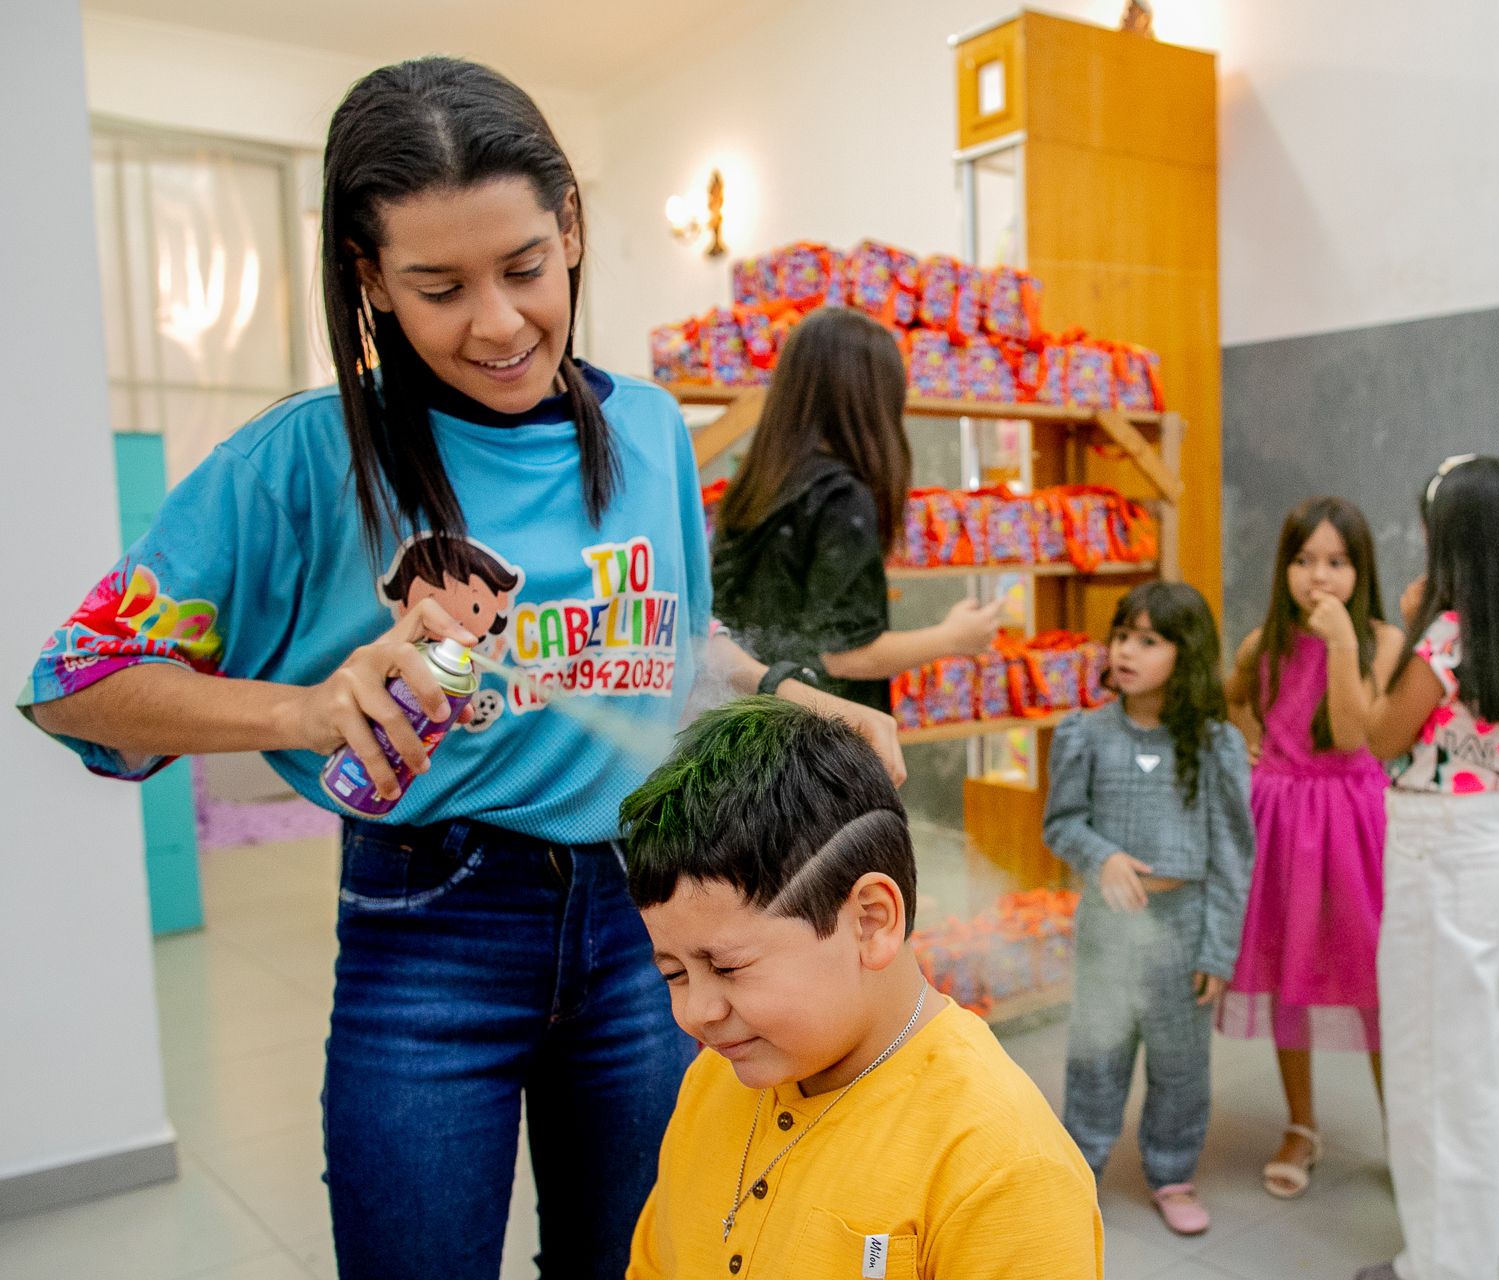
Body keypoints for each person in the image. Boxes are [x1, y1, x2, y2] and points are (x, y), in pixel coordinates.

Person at [20, 57, 898, 1280]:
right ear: (369, 277)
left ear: (571, 228)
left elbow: (665, 639)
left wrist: (790, 692)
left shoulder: (647, 429)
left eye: (525, 267)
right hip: (430, 930)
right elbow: (75, 680)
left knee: (637, 1256)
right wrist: (308, 708)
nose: (497, 322)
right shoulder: (308, 456)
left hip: (644, 921)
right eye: (440, 287)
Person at [619, 697, 1102, 1279]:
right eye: (673, 973)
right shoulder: (711, 1080)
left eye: (727, 968)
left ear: (870, 921)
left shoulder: (1005, 1171)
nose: (695, 1013)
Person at [1333, 455, 1499, 1280]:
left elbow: (1380, 734)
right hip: (1497, 837)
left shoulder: (1444, 636)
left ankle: (1444, 1264)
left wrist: (1394, 636)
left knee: (1435, 1069)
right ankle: (1489, 1236)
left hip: (1438, 850)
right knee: (1488, 1059)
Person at [1042, 581, 1257, 1236]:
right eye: (1121, 636)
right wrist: (1102, 856)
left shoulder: (1216, 746)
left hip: (1185, 927)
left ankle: (1172, 1172)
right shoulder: (1084, 734)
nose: (1126, 651)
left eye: (1148, 640)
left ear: (1184, 653)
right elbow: (1060, 824)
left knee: (1181, 1064)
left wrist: (1218, 950)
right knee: (1096, 1055)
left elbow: (1233, 857)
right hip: (1108, 929)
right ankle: (1079, 1168)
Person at [1219, 496, 1400, 1199]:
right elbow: (1234, 696)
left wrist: (1344, 643)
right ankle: (1301, 1123)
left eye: (1336, 561)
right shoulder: (1263, 643)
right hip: (1281, 821)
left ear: (1361, 569)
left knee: (1372, 975)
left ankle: (1402, 1130)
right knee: (1285, 969)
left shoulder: (1382, 641)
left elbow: (1355, 733)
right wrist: (1250, 740)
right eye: (1303, 560)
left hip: (1353, 821)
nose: (1318, 576)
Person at [710, 306, 1003, 711]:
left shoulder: (756, 485)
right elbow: (843, 653)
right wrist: (952, 637)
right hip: (818, 724)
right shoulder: (841, 497)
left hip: (744, 719)